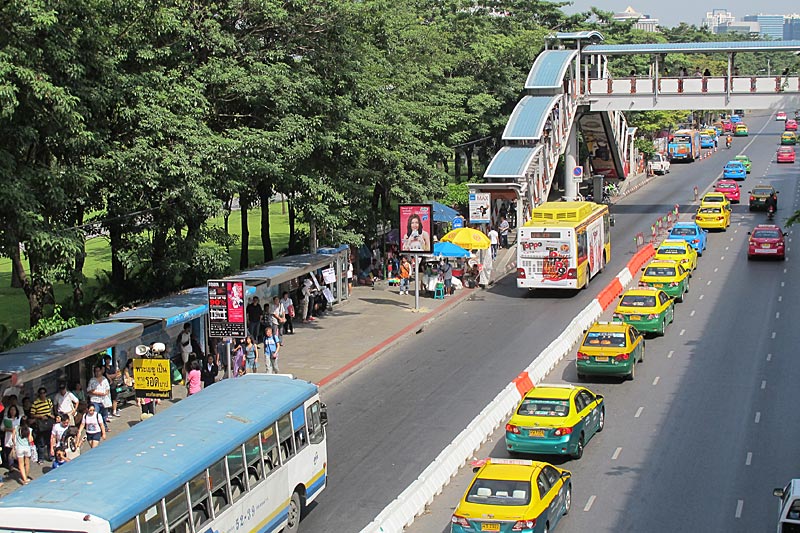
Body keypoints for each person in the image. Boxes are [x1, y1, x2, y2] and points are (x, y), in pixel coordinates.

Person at [30, 387, 55, 462]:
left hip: (48, 422)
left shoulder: (48, 401)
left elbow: (51, 410)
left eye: (44, 393)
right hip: (40, 423)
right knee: (41, 442)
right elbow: (32, 414)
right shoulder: (35, 403)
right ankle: (41, 458)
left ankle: (50, 456)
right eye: (41, 393)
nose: (42, 394)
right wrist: (40, 416)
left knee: (49, 441)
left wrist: (50, 415)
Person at [87, 365, 112, 432]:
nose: (97, 373)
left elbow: (107, 389)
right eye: (96, 371)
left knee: (104, 415)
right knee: (96, 414)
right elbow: (89, 390)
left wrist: (105, 393)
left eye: (98, 371)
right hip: (95, 400)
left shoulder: (104, 379)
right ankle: (96, 428)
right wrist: (98, 393)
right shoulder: (92, 380)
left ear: (101, 371)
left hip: (104, 401)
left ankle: (104, 427)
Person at [3, 404, 21, 472]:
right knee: (9, 452)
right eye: (11, 410)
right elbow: (2, 428)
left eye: (14, 410)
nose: (12, 411)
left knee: (18, 451)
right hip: (8, 436)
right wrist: (9, 429)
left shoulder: (19, 418)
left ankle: (20, 464)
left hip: (17, 436)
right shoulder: (6, 419)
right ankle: (11, 465)